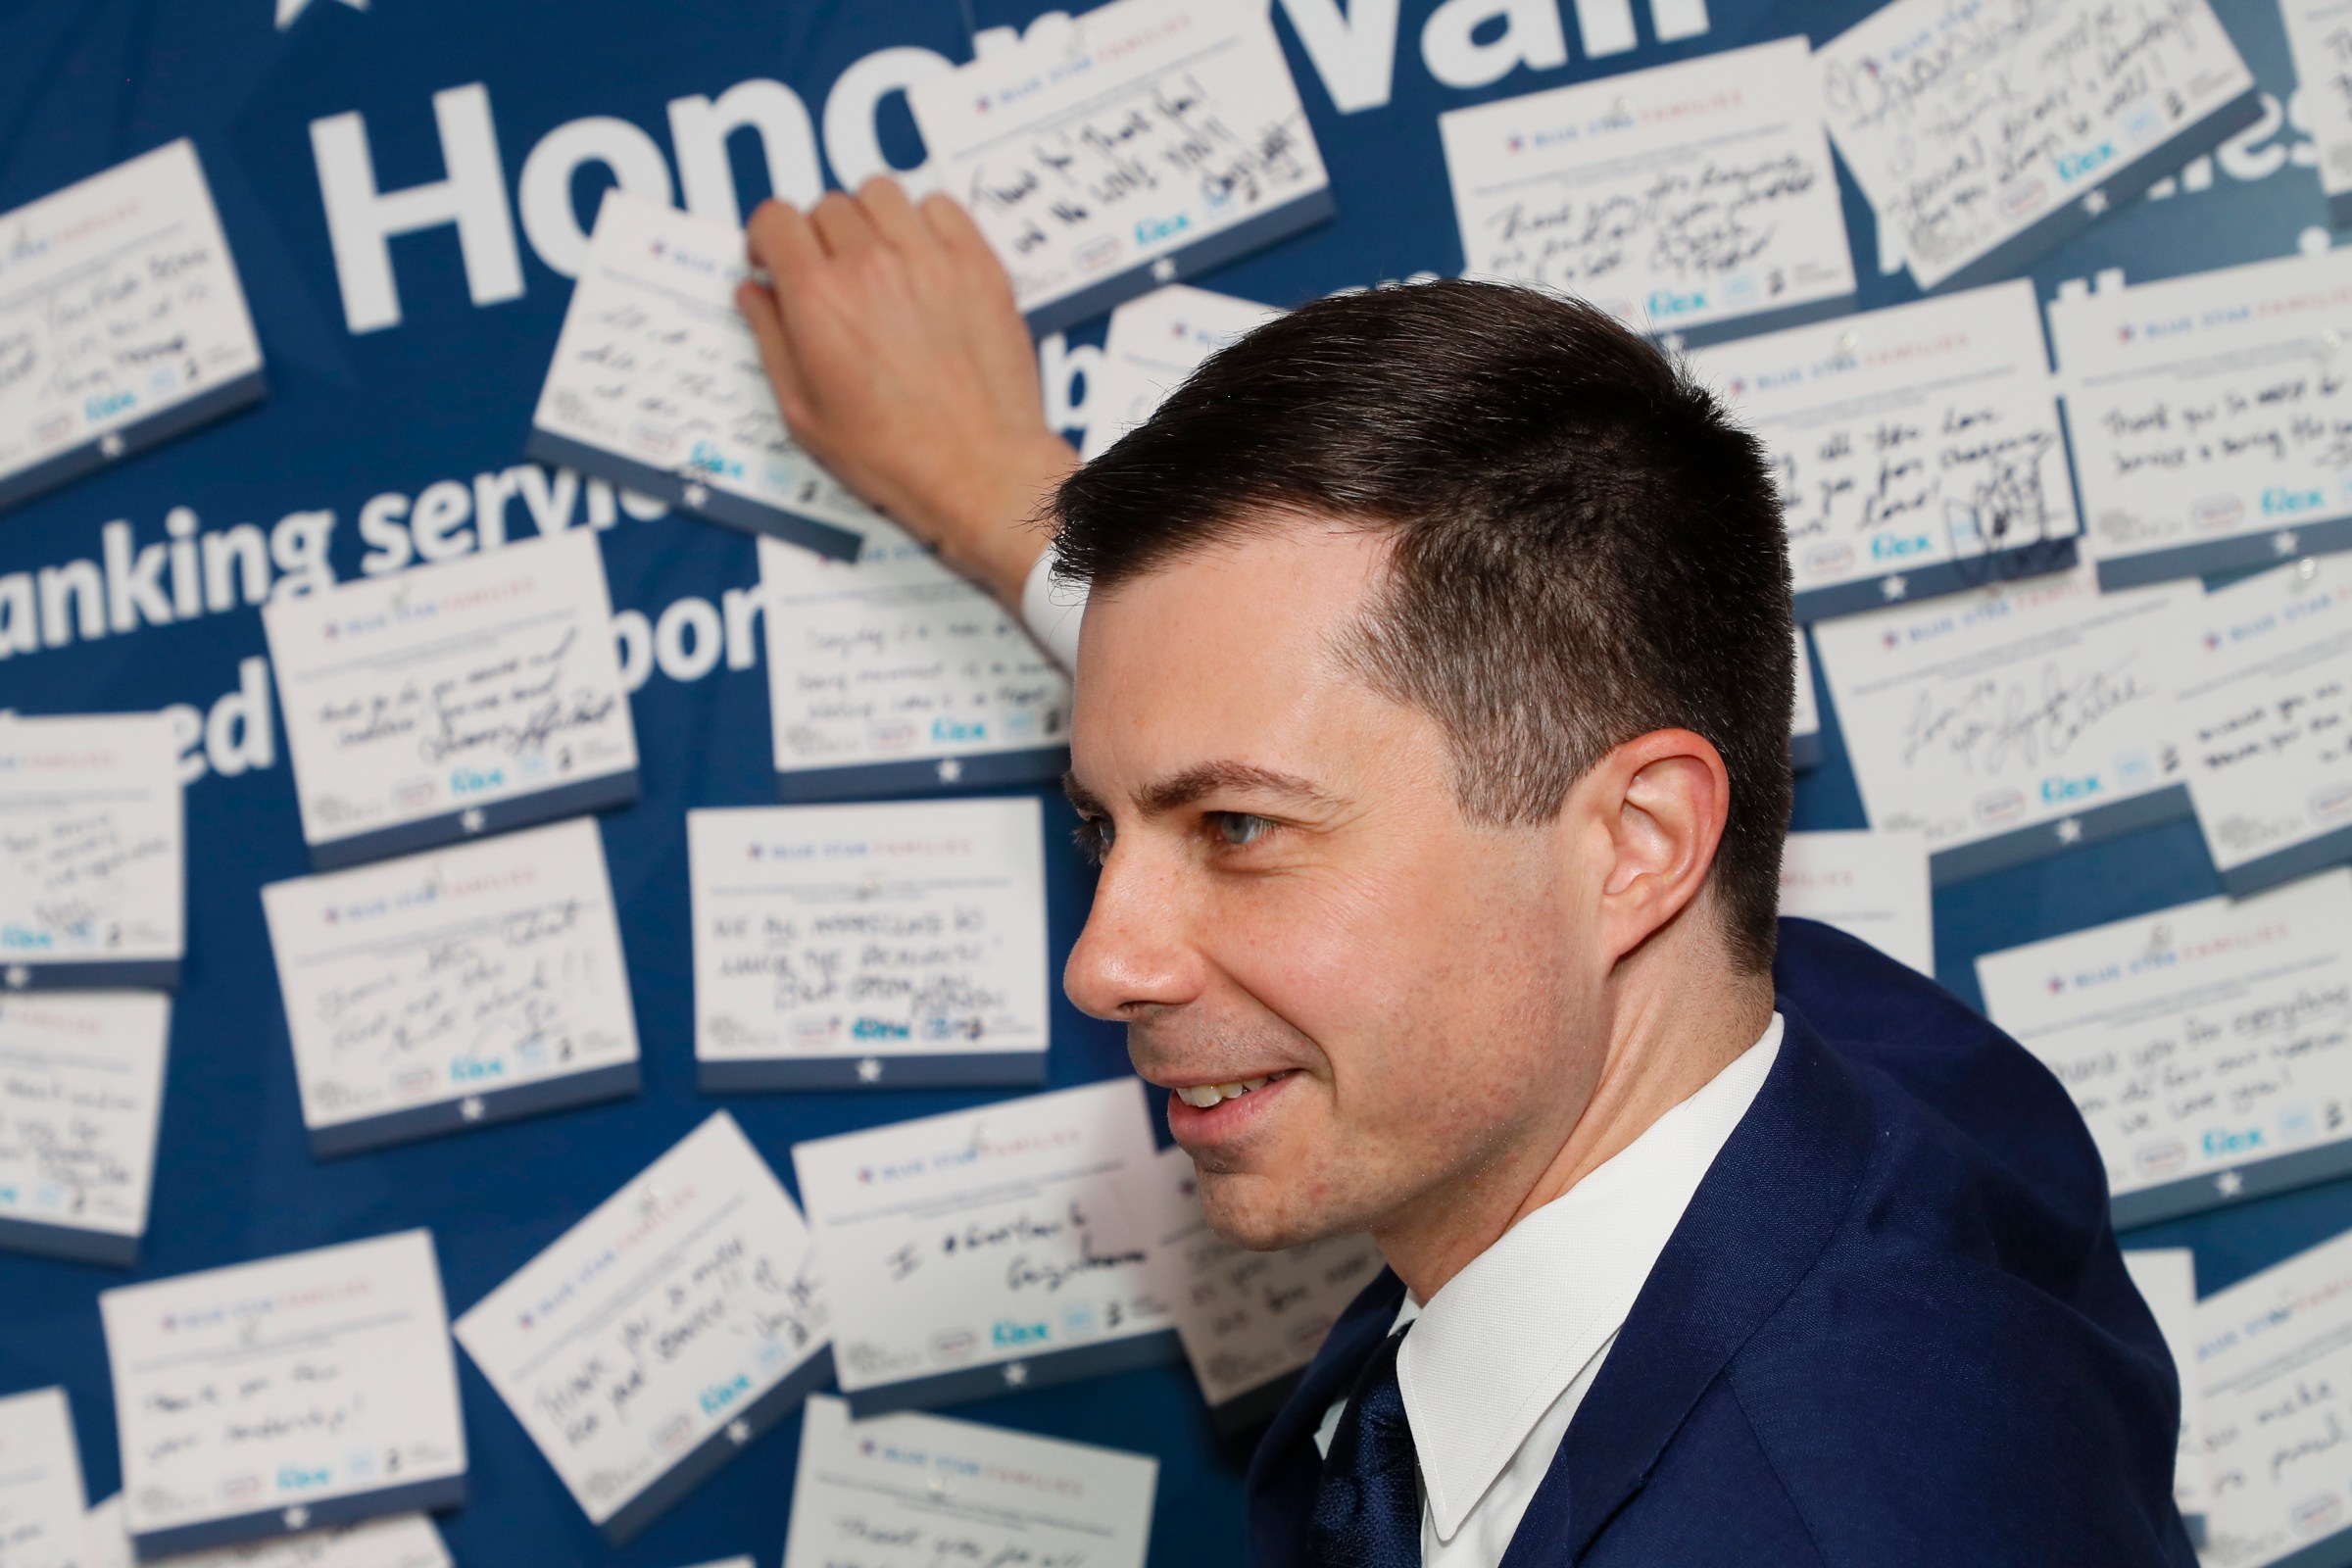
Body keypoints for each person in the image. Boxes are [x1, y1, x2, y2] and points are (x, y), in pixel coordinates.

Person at [736, 180, 2193, 1568]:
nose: (1104, 964)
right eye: (1104, 831)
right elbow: (1321, 693)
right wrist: (997, 487)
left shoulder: (1799, 1516)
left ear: (1640, 848)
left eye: (1236, 830)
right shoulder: (1900, 1088)